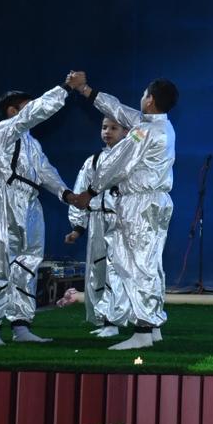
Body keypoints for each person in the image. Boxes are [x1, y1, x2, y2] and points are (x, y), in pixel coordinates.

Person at [66, 72, 178, 351]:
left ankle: (142, 330)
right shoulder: (160, 126)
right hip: (154, 202)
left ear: (150, 100)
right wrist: (86, 90)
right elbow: (118, 110)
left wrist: (90, 193)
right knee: (149, 264)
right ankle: (152, 326)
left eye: (144, 94)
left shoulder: (144, 132)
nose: (140, 98)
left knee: (135, 265)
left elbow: (117, 163)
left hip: (139, 205)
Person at [0, 82, 83, 346]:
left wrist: (66, 194)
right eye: (27, 107)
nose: (33, 110)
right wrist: (65, 88)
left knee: (28, 263)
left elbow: (45, 171)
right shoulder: (2, 130)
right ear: (13, 111)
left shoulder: (32, 143)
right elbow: (36, 112)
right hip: (6, 196)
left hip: (31, 202)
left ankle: (21, 326)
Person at [65, 116, 126, 335]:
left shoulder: (129, 158)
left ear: (125, 132)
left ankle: (113, 320)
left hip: (120, 221)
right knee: (97, 270)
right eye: (104, 127)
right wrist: (77, 227)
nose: (107, 131)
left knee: (115, 269)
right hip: (97, 220)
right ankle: (101, 318)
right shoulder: (92, 161)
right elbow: (80, 191)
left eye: (114, 128)